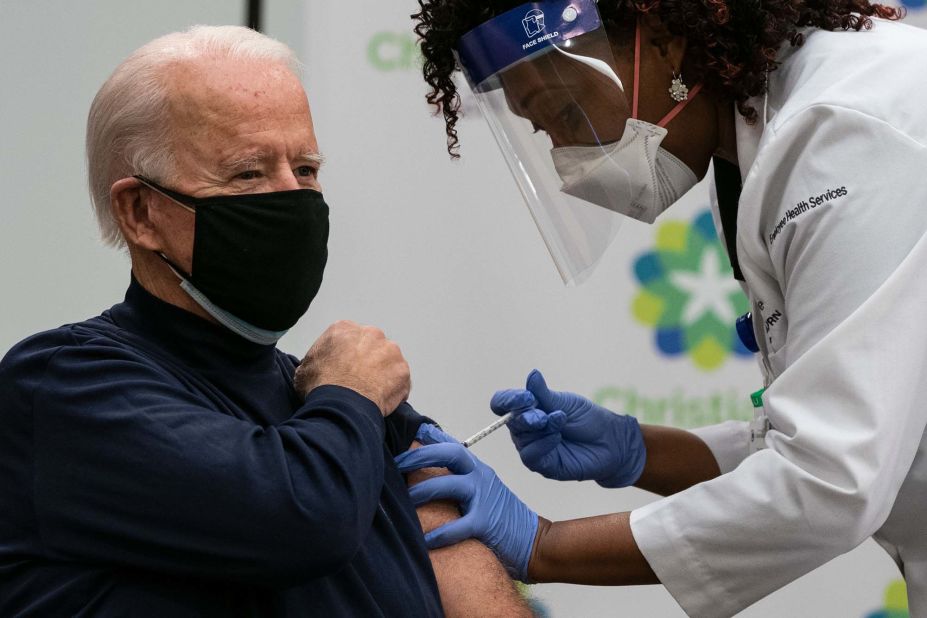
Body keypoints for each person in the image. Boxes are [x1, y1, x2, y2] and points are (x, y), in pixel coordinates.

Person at [397, 0, 927, 615]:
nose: (567, 161)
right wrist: (637, 450)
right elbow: (831, 442)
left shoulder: (839, 130)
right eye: (543, 131)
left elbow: (829, 482)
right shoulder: (765, 138)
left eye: (566, 113)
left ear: (666, 43)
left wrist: (544, 545)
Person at [0, 25, 533, 617]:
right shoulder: (65, 385)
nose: (294, 199)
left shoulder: (340, 403)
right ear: (141, 211)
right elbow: (303, 518)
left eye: (306, 169)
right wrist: (353, 392)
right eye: (249, 173)